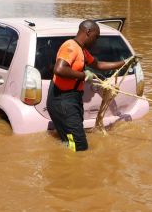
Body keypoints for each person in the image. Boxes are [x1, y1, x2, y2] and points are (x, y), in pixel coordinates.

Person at [46, 20, 129, 152]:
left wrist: (125, 62)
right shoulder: (71, 46)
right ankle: (73, 167)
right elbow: (59, 69)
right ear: (88, 32)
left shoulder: (82, 51)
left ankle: (65, 161)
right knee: (80, 146)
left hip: (71, 99)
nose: (96, 41)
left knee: (70, 140)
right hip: (62, 101)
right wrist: (84, 75)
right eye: (96, 37)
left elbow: (98, 65)